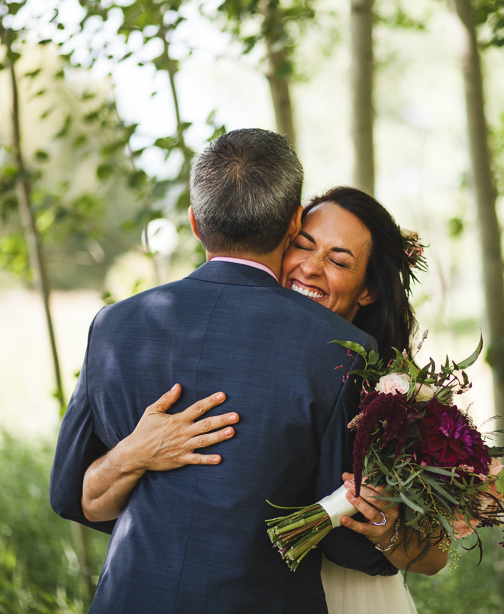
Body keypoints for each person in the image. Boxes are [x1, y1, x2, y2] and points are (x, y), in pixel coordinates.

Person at [50, 129, 397, 613]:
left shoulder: (115, 326)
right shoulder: (341, 350)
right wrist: (395, 540)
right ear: (294, 221)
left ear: (194, 222)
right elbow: (338, 538)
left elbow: (70, 496)